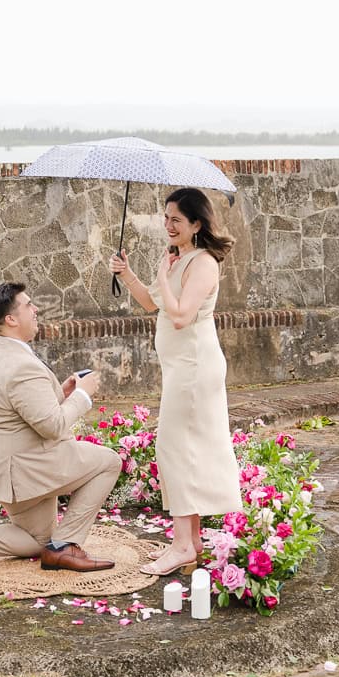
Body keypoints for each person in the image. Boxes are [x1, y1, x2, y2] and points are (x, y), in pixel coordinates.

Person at [0, 282, 121, 576]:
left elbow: (21, 407)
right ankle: (66, 545)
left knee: (37, 541)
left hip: (4, 469)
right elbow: (52, 427)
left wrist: (62, 392)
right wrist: (84, 395)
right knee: (109, 461)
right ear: (11, 319)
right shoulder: (20, 364)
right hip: (27, 468)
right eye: (29, 305)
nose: (36, 310)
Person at [109, 187, 244, 576]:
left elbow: (182, 315)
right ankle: (192, 541)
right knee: (183, 449)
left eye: (176, 220)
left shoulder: (202, 263)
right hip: (180, 368)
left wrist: (165, 278)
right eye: (165, 218)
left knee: (173, 447)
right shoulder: (178, 258)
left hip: (195, 367)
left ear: (196, 224)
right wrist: (129, 274)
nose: (168, 225)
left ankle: (183, 545)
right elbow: (153, 304)